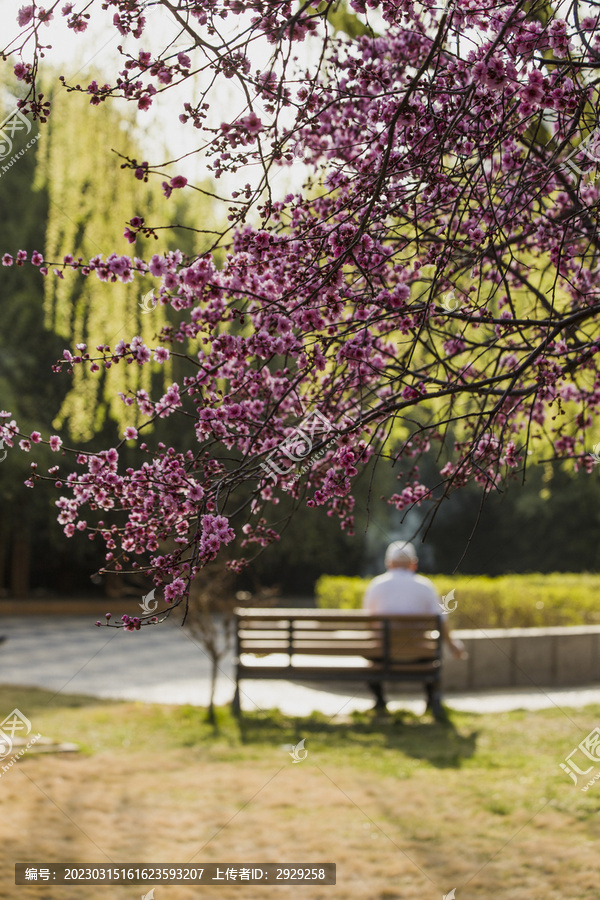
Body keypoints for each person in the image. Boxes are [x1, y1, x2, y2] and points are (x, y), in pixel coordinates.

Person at [362, 540, 466, 713]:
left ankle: (380, 701)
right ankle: (431, 701)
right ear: (413, 563)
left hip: (382, 657)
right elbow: (441, 620)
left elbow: (369, 624)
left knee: (373, 650)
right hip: (419, 655)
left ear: (388, 563)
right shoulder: (425, 586)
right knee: (431, 653)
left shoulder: (375, 586)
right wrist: (452, 645)